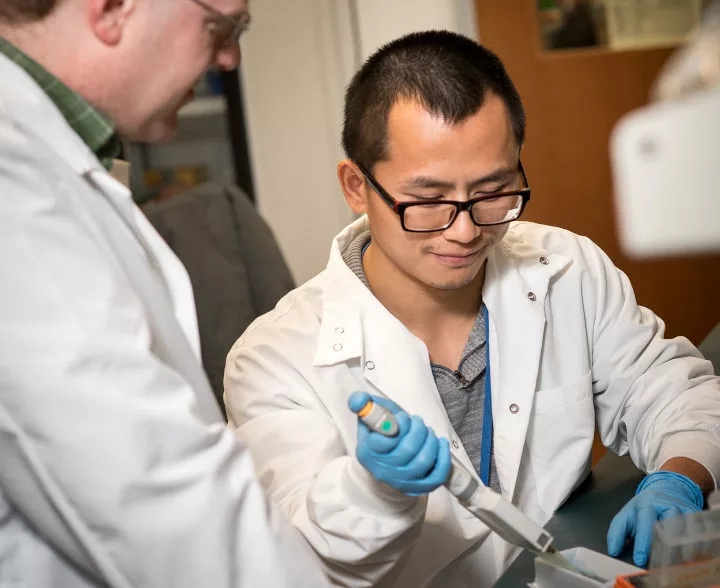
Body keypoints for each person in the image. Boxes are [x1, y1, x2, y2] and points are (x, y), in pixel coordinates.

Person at [224, 30, 720, 587]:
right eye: (429, 200)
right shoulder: (272, 358)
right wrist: (374, 489)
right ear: (357, 187)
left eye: (492, 191)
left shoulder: (566, 269)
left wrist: (679, 476)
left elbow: (672, 392)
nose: (464, 231)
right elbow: (297, 559)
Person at [0, 1, 331, 586]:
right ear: (112, 10)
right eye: (220, 27)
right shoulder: (13, 173)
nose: (229, 59)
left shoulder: (55, 157)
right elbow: (148, 484)